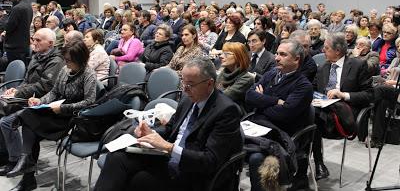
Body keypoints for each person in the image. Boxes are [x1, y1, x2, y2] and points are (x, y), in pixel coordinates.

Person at [94, 57, 242, 191]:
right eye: (183, 82)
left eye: (190, 84)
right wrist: (151, 133)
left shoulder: (226, 111)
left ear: (209, 84)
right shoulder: (187, 98)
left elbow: (210, 161)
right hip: (167, 157)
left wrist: (169, 147)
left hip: (192, 171)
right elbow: (171, 127)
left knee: (138, 180)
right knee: (117, 157)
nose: (184, 89)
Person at [6, 39, 96, 191]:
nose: (66, 63)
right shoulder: (65, 70)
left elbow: (89, 102)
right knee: (30, 120)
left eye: (69, 60)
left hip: (70, 117)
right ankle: (26, 164)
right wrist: (39, 100)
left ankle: (27, 170)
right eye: (65, 59)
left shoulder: (89, 75)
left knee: (29, 124)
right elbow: (54, 92)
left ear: (80, 59)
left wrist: (64, 108)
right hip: (56, 109)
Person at [245, 39, 313, 191]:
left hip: (281, 134)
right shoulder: (271, 73)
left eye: (283, 54)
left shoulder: (303, 86)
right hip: (256, 127)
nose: (276, 58)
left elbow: (284, 115)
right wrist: (275, 101)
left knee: (256, 158)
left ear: (296, 59)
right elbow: (249, 96)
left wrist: (261, 102)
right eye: (277, 53)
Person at [0, 28, 64, 177]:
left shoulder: (56, 61)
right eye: (33, 39)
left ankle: (14, 161)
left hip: (43, 103)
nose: (34, 43)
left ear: (50, 43)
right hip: (27, 98)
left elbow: (45, 86)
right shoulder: (37, 56)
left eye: (38, 40)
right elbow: (27, 81)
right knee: (1, 110)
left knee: (6, 122)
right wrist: (15, 90)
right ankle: (5, 154)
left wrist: (19, 92)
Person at [311, 33, 372, 181]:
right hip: (322, 111)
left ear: (337, 51)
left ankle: (306, 162)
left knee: (310, 118)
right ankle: (311, 162)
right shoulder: (323, 68)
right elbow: (313, 89)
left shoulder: (358, 65)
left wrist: (343, 95)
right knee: (305, 114)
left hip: (345, 114)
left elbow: (370, 95)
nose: (322, 51)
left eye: (326, 48)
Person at [371, 37, 400, 147]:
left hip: (397, 90)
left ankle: (369, 104)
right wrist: (382, 79)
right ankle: (377, 138)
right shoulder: (395, 60)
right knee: (382, 102)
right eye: (397, 46)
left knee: (379, 90)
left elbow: (393, 81)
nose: (399, 48)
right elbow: (387, 74)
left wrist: (393, 82)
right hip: (389, 91)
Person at [216, 42, 254, 112]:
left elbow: (223, 97)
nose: (221, 56)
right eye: (222, 53)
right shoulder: (224, 72)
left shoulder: (247, 78)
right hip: (218, 108)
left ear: (239, 57)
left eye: (226, 54)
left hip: (233, 113)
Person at [3, 0, 33, 65]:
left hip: (14, 48)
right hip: (24, 46)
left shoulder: (17, 8)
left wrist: (5, 16)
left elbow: (8, 27)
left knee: (14, 73)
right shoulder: (28, 6)